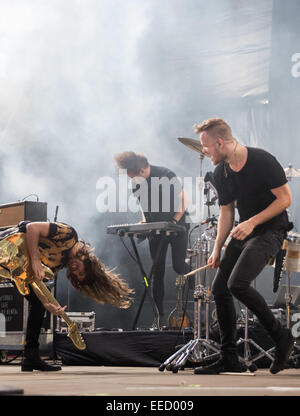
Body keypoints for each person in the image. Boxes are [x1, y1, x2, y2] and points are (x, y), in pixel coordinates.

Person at [192, 118, 293, 375]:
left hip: (271, 230)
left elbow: (285, 199)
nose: (203, 151)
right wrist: (217, 248)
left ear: (220, 142)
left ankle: (281, 337)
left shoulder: (262, 161)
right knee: (220, 289)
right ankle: (229, 358)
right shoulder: (220, 172)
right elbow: (227, 211)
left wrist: (252, 222)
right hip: (244, 231)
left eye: (206, 146)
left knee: (236, 284)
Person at [0, 221, 134, 371]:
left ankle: (31, 356)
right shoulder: (69, 235)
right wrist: (36, 260)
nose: (75, 271)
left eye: (77, 276)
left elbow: (34, 280)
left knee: (38, 305)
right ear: (88, 262)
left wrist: (46, 303)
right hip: (8, 244)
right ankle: (31, 356)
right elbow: (32, 228)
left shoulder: (59, 264)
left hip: (11, 263)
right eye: (81, 272)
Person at [114, 151, 190, 326]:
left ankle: (195, 280)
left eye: (133, 176)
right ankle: (159, 317)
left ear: (142, 170)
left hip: (177, 226)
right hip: (156, 230)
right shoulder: (136, 183)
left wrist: (174, 220)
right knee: (157, 272)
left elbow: (184, 199)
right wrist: (144, 222)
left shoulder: (166, 175)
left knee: (179, 266)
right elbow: (143, 205)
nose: (132, 180)